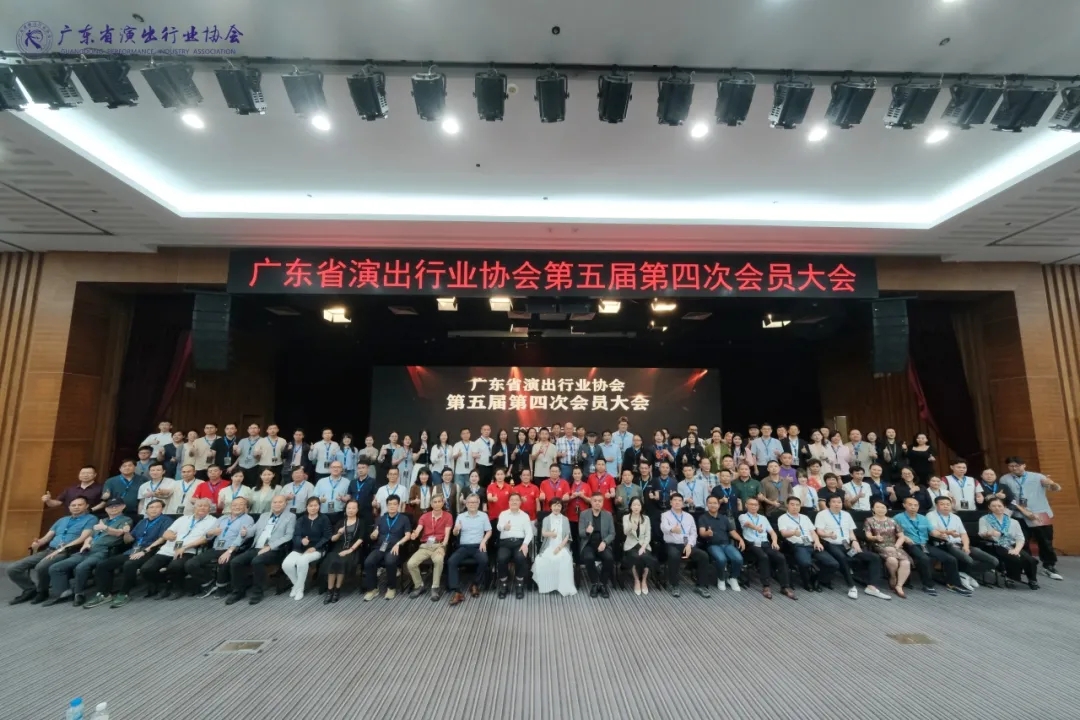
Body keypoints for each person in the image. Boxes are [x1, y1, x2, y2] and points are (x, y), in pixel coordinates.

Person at [43, 498, 133, 607]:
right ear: (106, 509)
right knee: (56, 567)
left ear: (123, 507)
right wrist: (86, 543)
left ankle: (79, 594)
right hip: (88, 549)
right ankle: (64, 594)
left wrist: (105, 528)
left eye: (116, 506)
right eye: (110, 507)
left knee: (81, 567)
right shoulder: (103, 520)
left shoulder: (125, 520)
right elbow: (90, 536)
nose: (113, 508)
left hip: (104, 550)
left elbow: (119, 533)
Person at [8, 496, 96, 605]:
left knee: (41, 567)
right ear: (69, 507)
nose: (76, 507)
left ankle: (42, 592)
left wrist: (62, 549)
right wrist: (38, 542)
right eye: (73, 505)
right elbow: (47, 537)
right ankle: (30, 589)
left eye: (80, 505)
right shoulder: (62, 520)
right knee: (13, 568)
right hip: (49, 550)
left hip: (67, 551)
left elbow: (82, 538)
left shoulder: (91, 519)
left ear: (87, 506)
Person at [83, 499, 170, 609]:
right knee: (103, 565)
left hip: (152, 551)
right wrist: (126, 532)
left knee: (129, 564)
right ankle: (104, 594)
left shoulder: (166, 520)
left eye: (157, 507)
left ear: (162, 509)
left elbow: (162, 539)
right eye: (151, 507)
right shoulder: (143, 522)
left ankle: (124, 593)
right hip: (133, 550)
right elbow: (129, 540)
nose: (154, 509)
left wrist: (144, 551)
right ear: (146, 510)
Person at [136, 498, 218, 600]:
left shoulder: (213, 521)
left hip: (189, 550)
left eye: (205, 506)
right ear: (194, 507)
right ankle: (167, 583)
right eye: (199, 505)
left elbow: (205, 539)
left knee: (174, 566)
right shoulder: (183, 518)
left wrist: (184, 547)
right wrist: (168, 535)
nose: (202, 508)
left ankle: (177, 589)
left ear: (209, 509)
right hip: (168, 549)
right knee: (146, 569)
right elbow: (167, 532)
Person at [813, 495, 891, 600]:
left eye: (839, 502)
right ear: (829, 503)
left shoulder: (846, 515)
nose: (837, 504)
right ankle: (851, 587)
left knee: (874, 557)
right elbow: (819, 532)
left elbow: (850, 531)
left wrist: (854, 541)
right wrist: (828, 535)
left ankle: (872, 587)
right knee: (842, 558)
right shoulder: (822, 514)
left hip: (846, 545)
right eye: (834, 502)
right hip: (830, 544)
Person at [225, 495, 296, 605]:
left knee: (257, 561)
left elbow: (288, 536)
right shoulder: (264, 516)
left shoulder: (290, 516)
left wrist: (270, 546)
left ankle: (257, 592)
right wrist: (245, 533)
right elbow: (253, 530)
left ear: (285, 504)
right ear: (271, 504)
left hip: (275, 550)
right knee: (236, 562)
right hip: (257, 547)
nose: (277, 504)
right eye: (275, 502)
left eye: (280, 502)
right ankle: (238, 592)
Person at [1001, 456, 1063, 581]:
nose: (1014, 468)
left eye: (1017, 466)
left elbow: (1054, 487)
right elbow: (1008, 498)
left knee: (1045, 541)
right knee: (1021, 541)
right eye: (1011, 466)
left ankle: (1049, 566)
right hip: (1019, 514)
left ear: (1024, 465)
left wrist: (1053, 484)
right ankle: (1027, 563)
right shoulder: (1005, 479)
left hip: (1040, 513)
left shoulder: (1037, 477)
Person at [893, 496, 965, 596]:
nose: (913, 507)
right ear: (904, 505)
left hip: (925, 544)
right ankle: (928, 585)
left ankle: (953, 584)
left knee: (950, 559)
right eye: (910, 505)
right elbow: (892, 533)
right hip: (909, 545)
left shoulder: (923, 518)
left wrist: (940, 535)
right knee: (924, 559)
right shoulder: (897, 518)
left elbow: (932, 531)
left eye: (916, 505)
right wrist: (904, 537)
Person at [927, 496, 999, 592]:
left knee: (993, 561)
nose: (946, 506)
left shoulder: (955, 517)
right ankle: (963, 575)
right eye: (942, 504)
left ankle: (966, 574)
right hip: (946, 545)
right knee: (968, 560)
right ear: (936, 505)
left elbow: (964, 534)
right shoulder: (931, 515)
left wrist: (966, 546)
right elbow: (933, 530)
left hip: (960, 544)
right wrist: (942, 534)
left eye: (948, 504)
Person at [187, 497, 254, 598]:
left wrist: (229, 551)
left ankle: (222, 587)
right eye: (235, 505)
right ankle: (208, 583)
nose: (237, 507)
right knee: (191, 564)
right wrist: (212, 532)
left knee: (224, 562)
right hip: (216, 548)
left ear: (245, 507)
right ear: (230, 507)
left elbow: (242, 537)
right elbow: (207, 534)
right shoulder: (223, 518)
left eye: (241, 504)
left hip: (233, 549)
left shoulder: (247, 519)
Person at [738, 497, 797, 600]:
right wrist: (756, 528)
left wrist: (774, 541)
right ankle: (766, 586)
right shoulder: (743, 516)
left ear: (758, 506)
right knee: (763, 557)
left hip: (765, 543)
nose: (753, 506)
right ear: (746, 505)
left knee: (781, 557)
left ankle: (785, 587)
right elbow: (747, 524)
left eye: (756, 505)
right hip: (751, 544)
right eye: (751, 504)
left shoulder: (763, 518)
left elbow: (772, 532)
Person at [659, 493, 713, 598]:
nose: (677, 502)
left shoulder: (689, 516)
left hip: (686, 544)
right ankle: (674, 585)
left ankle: (701, 585)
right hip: (672, 544)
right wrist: (672, 529)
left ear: (683, 503)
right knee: (674, 556)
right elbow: (663, 527)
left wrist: (689, 545)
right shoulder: (665, 515)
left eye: (679, 500)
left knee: (703, 556)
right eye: (675, 500)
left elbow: (694, 533)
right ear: (671, 502)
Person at [777, 497, 835, 592]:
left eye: (797, 505)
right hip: (798, 545)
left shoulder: (805, 517)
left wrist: (817, 542)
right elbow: (783, 533)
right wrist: (793, 533)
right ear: (787, 505)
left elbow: (813, 532)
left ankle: (817, 580)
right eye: (792, 504)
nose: (795, 507)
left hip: (811, 544)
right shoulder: (782, 518)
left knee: (833, 563)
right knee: (805, 563)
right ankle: (806, 582)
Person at [979, 498, 1039, 589]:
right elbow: (981, 534)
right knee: (1014, 558)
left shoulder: (1013, 522)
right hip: (995, 545)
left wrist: (1016, 550)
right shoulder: (984, 519)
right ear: (989, 507)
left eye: (999, 506)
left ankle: (1032, 580)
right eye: (993, 506)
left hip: (1012, 544)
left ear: (1004, 507)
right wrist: (989, 533)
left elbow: (1020, 538)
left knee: (1030, 560)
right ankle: (1012, 577)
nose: (997, 508)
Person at [363, 496, 413, 601]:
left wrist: (398, 544)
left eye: (394, 504)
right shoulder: (380, 519)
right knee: (368, 562)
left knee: (390, 561)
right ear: (386, 505)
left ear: (398, 505)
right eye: (390, 504)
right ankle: (372, 589)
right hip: (380, 547)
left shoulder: (404, 519)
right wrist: (373, 535)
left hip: (395, 547)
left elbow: (408, 535)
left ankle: (391, 588)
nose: (392, 506)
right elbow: (374, 535)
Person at [281, 497, 331, 600]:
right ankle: (297, 585)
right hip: (300, 548)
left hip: (318, 549)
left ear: (319, 506)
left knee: (302, 561)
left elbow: (327, 536)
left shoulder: (324, 519)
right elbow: (296, 536)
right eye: (310, 506)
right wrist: (301, 541)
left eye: (316, 505)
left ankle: (299, 590)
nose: (313, 508)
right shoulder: (301, 519)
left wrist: (315, 547)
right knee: (286, 564)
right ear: (306, 507)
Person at [406, 493, 453, 601]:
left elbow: (447, 535)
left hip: (439, 545)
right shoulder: (424, 516)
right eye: (434, 502)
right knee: (411, 563)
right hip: (426, 545)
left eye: (439, 501)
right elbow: (418, 529)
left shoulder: (448, 516)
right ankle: (419, 585)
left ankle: (435, 587)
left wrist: (443, 547)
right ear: (431, 504)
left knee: (438, 560)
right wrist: (415, 534)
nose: (437, 504)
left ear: (443, 503)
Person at [447, 493, 492, 606]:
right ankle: (457, 591)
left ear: (478, 504)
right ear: (466, 504)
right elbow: (455, 533)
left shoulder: (483, 516)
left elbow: (489, 531)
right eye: (470, 502)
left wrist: (484, 541)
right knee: (451, 561)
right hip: (464, 546)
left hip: (478, 546)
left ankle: (475, 584)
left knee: (484, 560)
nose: (472, 504)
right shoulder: (461, 516)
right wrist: (456, 530)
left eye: (475, 502)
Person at [321, 500, 369, 603]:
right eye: (349, 508)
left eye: (353, 508)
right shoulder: (340, 522)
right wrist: (339, 533)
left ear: (357, 510)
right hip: (339, 547)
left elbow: (361, 539)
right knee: (333, 561)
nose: (351, 510)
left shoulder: (361, 522)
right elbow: (333, 539)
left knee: (341, 562)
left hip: (353, 549)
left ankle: (337, 590)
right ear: (345, 509)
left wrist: (349, 550)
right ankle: (330, 590)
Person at [863, 500, 912, 597]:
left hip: (895, 546)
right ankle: (893, 576)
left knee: (906, 563)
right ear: (873, 509)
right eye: (878, 507)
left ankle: (899, 586)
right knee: (892, 560)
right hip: (879, 545)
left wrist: (896, 546)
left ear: (886, 509)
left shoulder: (893, 521)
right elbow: (868, 536)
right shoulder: (869, 520)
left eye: (883, 507)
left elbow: (901, 536)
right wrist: (875, 537)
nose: (880, 509)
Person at [698, 495, 745, 591]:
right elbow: (701, 532)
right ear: (707, 504)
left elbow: (732, 532)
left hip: (726, 544)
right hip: (712, 545)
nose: (713, 505)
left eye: (715, 503)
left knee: (738, 559)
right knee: (721, 559)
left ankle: (733, 578)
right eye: (710, 503)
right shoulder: (703, 517)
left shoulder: (724, 518)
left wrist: (740, 539)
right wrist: (707, 533)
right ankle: (721, 578)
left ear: (719, 505)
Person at [533, 498, 576, 596]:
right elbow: (543, 533)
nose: (556, 508)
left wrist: (559, 547)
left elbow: (567, 536)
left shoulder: (565, 519)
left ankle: (561, 586)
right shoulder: (546, 519)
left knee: (564, 558)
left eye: (559, 506)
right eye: (554, 505)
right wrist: (550, 534)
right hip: (549, 545)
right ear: (550, 507)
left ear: (561, 507)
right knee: (542, 560)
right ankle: (548, 586)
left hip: (562, 546)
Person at [495, 493, 534, 599]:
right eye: (512, 500)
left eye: (517, 500)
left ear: (520, 502)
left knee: (520, 557)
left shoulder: (524, 516)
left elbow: (529, 532)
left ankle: (519, 584)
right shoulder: (503, 514)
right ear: (508, 502)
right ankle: (503, 584)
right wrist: (504, 527)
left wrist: (525, 544)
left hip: (519, 543)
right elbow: (498, 527)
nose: (514, 502)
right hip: (505, 543)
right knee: (501, 558)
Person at [578, 493, 616, 598]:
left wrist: (605, 542)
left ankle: (603, 583)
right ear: (591, 502)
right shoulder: (584, 514)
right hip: (589, 543)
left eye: (600, 501)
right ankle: (594, 583)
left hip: (602, 543)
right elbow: (580, 533)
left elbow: (612, 533)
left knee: (609, 558)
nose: (597, 503)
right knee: (588, 558)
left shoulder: (608, 515)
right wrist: (587, 531)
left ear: (603, 502)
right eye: (595, 501)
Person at [621, 497, 658, 595]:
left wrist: (643, 547)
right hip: (631, 545)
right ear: (630, 507)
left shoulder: (646, 518)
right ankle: (637, 580)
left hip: (643, 545)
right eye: (634, 505)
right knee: (635, 557)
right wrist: (631, 527)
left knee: (645, 557)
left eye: (638, 505)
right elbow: (625, 532)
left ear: (641, 507)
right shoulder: (626, 517)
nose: (636, 507)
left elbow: (648, 535)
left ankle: (644, 580)